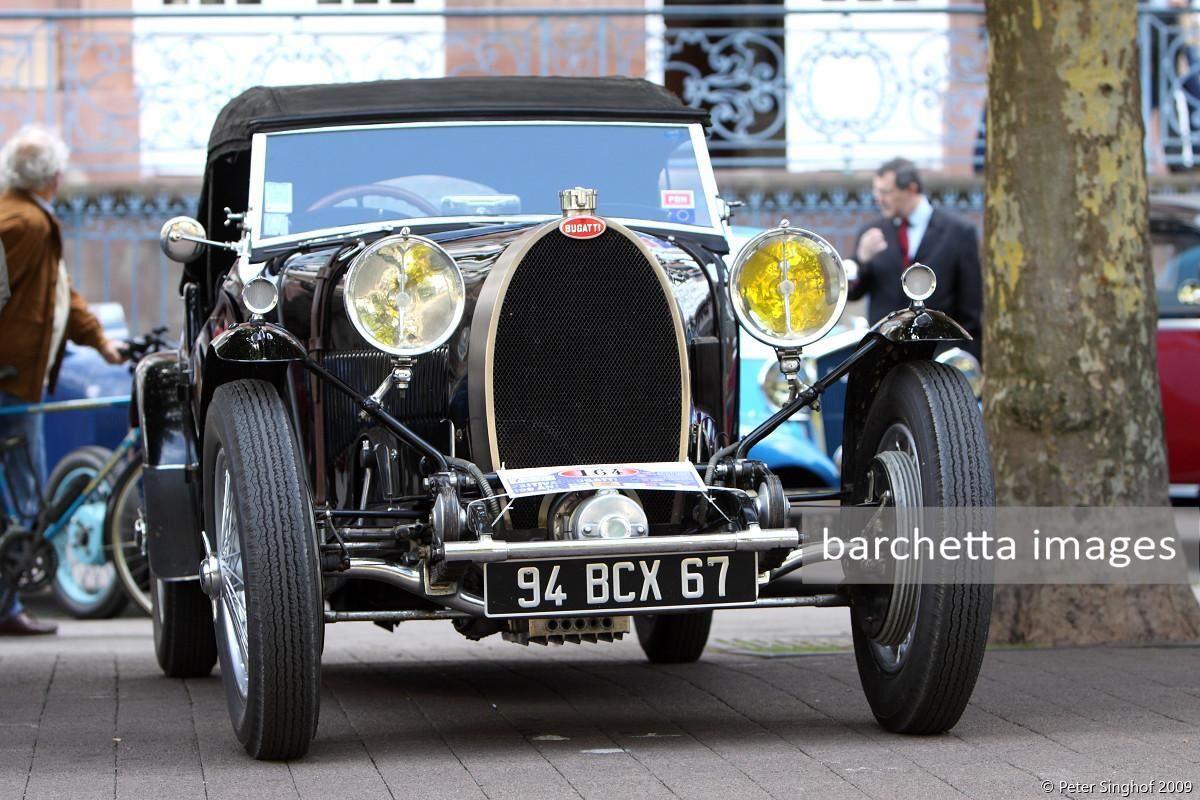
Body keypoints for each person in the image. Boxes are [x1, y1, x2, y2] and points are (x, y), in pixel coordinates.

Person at [0, 125, 125, 636]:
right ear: (51, 177)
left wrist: (101, 341)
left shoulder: (33, 219)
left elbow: (61, 296)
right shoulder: (23, 224)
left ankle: (6, 605)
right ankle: (6, 607)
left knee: (20, 495)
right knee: (24, 497)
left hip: (16, 379)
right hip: (10, 381)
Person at [847, 157, 984, 361]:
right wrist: (861, 259)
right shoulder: (872, 233)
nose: (878, 199)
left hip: (938, 363)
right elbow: (852, 293)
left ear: (911, 189)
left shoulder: (958, 233)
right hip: (884, 362)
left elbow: (971, 310)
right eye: (877, 192)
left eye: (886, 192)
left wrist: (961, 363)